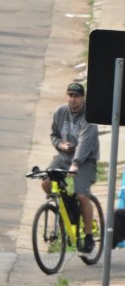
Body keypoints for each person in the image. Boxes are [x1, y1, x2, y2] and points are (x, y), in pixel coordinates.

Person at [45, 82, 99, 252]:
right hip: (63, 157)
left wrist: (75, 164)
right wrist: (60, 145)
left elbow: (84, 143)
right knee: (45, 181)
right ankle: (67, 206)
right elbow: (54, 134)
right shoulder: (60, 112)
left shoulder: (89, 117)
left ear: (82, 98)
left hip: (85, 161)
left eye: (76, 96)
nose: (72, 99)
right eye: (69, 95)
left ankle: (89, 236)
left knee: (82, 196)